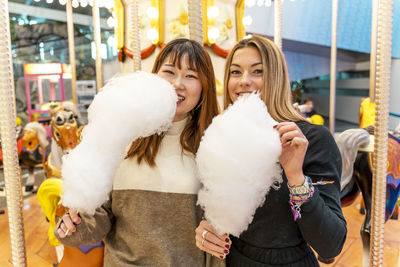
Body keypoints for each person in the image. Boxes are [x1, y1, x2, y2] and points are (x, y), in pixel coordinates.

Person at [55, 38, 222, 267]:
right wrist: (75, 226)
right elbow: (101, 216)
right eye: (169, 72)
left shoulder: (213, 147)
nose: (177, 84)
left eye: (191, 76)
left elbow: (215, 236)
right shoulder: (122, 138)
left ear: (204, 86)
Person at [195, 35, 346, 266]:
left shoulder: (311, 140)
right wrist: (208, 230)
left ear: (277, 77)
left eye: (258, 71)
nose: (244, 81)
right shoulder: (224, 137)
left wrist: (296, 176)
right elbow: (220, 210)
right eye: (235, 72)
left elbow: (330, 244)